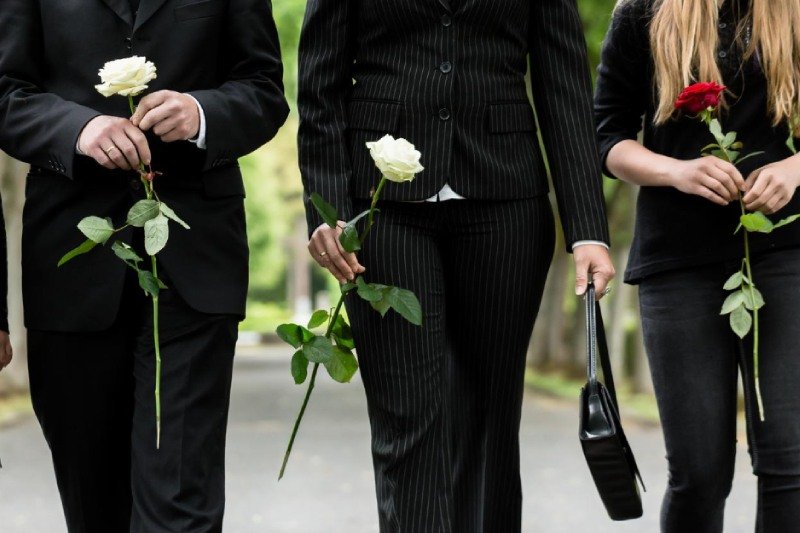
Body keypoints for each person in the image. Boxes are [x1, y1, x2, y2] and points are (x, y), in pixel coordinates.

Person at [298, 0, 615, 530]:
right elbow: (319, 85)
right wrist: (327, 209)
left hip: (506, 199)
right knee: (406, 417)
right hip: (380, 209)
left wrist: (586, 229)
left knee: (490, 417)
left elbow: (564, 83)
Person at [0, 1, 288, 531]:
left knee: (181, 504)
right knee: (95, 506)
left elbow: (264, 88)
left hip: (196, 262)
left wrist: (202, 115)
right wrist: (78, 130)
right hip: (70, 269)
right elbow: (5, 92)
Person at [595, 0, 800, 531]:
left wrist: (796, 169)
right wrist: (675, 172)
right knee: (699, 473)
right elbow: (606, 135)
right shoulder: (642, 13)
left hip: (789, 255)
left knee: (789, 463)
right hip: (677, 263)